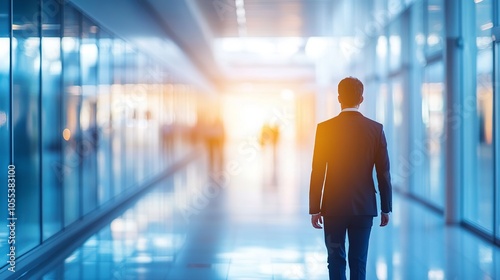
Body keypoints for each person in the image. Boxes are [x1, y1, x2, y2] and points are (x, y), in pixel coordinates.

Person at [309, 77, 392, 280]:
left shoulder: (325, 129)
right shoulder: (375, 129)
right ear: (361, 99)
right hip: (364, 207)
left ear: (339, 98)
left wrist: (315, 208)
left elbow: (317, 170)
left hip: (333, 207)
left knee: (335, 259)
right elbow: (383, 173)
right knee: (359, 260)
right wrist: (386, 207)